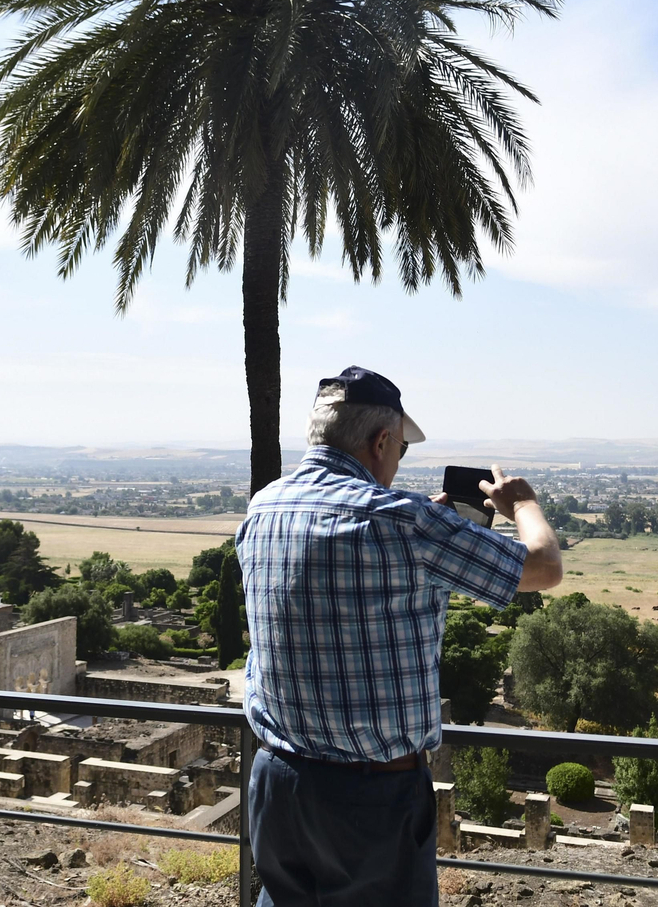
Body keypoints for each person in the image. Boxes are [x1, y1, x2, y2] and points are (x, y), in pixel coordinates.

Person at [237, 365, 561, 906]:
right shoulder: (405, 524)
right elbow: (544, 566)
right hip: (370, 797)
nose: (396, 464)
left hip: (276, 781)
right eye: (400, 450)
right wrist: (522, 503)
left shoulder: (264, 507)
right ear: (381, 440)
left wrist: (426, 533)